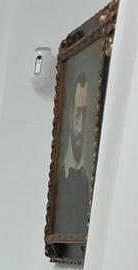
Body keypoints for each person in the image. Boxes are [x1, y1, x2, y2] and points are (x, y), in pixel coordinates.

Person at [54, 71, 94, 237]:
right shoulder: (59, 174)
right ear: (70, 115)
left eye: (86, 114)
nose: (80, 127)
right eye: (78, 114)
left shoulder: (92, 177)